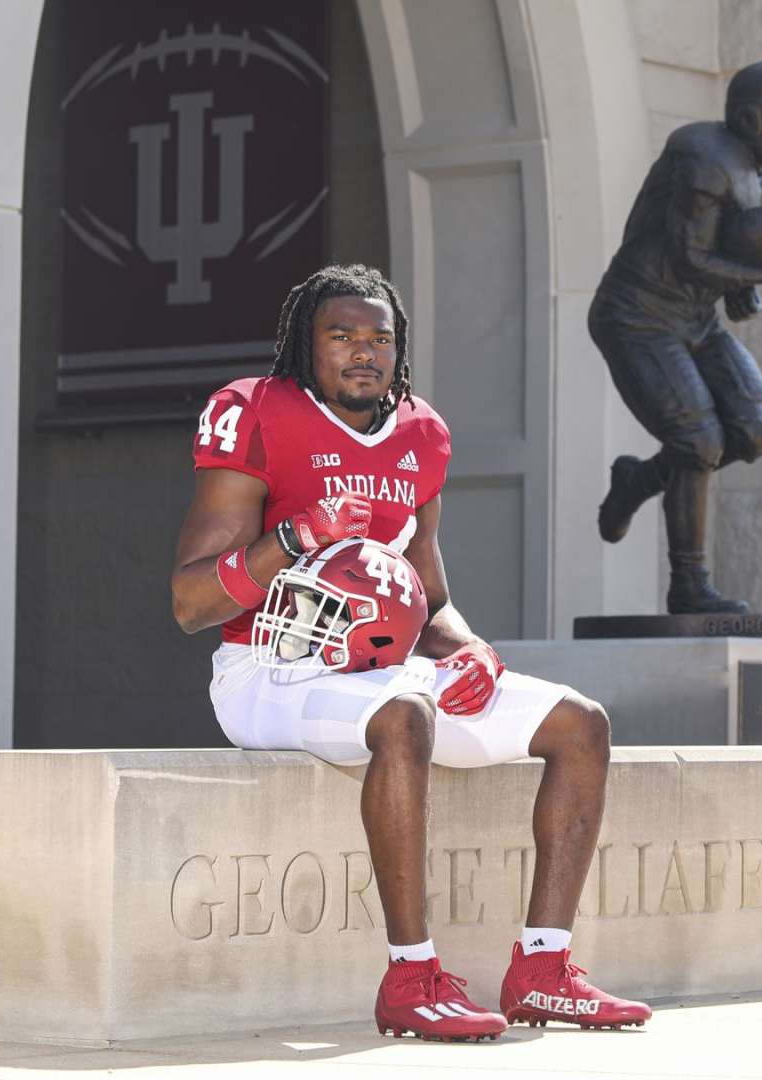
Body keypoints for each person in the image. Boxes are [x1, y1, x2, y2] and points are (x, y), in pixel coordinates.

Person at [170, 264, 650, 1042]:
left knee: (580, 725)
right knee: (405, 712)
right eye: (341, 336)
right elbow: (191, 603)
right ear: (305, 343)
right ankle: (411, 976)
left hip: (383, 670)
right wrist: (294, 537)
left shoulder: (420, 432)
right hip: (268, 671)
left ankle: (543, 970)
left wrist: (470, 650)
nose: (364, 352)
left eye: (380, 338)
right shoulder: (252, 411)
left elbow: (430, 599)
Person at [591, 60, 762, 614]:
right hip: (638, 312)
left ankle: (638, 481)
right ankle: (688, 583)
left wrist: (745, 289)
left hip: (697, 318)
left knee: (754, 431)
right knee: (700, 442)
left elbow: (728, 254)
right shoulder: (702, 157)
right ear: (749, 119)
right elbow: (693, 256)